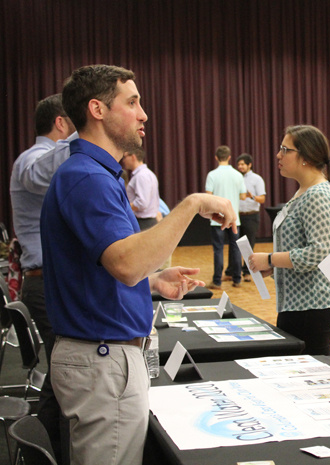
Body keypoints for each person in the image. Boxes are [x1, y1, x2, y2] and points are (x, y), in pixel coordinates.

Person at [40, 64, 237, 465]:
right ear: (97, 109)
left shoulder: (94, 174)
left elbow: (101, 270)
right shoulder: (87, 178)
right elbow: (126, 264)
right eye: (132, 102)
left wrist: (151, 282)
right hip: (102, 360)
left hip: (102, 356)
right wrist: (193, 204)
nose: (143, 114)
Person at [248, 125, 330, 355]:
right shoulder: (304, 191)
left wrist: (270, 259)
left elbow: (319, 253)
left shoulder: (319, 195)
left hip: (313, 306)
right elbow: (299, 247)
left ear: (305, 157)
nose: (279, 155)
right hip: (300, 304)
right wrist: (274, 268)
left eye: (285, 149)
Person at [10, 93, 75, 464]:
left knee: (62, 372)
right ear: (62, 123)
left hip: (47, 279)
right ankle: (52, 453)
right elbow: (41, 174)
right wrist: (86, 133)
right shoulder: (32, 159)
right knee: (67, 371)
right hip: (44, 281)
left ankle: (43, 452)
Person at [205, 145, 247, 289]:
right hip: (234, 218)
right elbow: (243, 196)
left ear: (216, 158)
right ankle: (237, 279)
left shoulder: (212, 175)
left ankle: (217, 281)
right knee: (235, 249)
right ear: (230, 157)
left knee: (218, 250)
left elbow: (208, 197)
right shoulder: (238, 175)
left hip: (217, 219)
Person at [224, 153, 266, 282]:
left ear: (249, 165)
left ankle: (247, 272)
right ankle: (231, 272)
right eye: (239, 164)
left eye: (243, 164)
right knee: (234, 245)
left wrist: (251, 196)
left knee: (248, 245)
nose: (240, 167)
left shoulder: (257, 179)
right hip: (236, 216)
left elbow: (262, 199)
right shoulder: (235, 178)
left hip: (250, 216)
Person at [121, 147, 160, 230]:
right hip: (148, 222)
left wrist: (123, 207)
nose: (123, 160)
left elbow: (142, 203)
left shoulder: (141, 176)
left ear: (133, 157)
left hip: (143, 223)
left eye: (125, 157)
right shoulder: (148, 173)